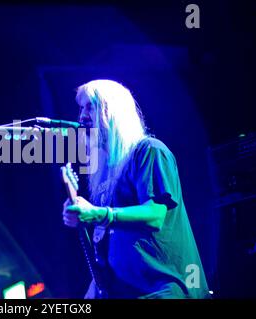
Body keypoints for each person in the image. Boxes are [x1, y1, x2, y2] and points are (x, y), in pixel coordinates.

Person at [62, 79, 210, 299]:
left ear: (113, 112)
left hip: (167, 290)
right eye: (81, 108)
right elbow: (110, 248)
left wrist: (98, 213)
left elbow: (155, 215)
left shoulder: (149, 151)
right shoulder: (104, 176)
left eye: (90, 106)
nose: (82, 116)